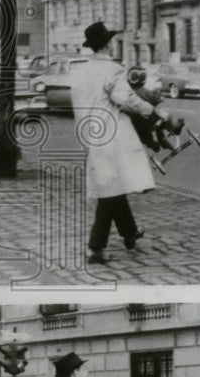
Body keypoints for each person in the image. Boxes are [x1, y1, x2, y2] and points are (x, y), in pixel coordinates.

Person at [71, 21, 173, 265]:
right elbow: (126, 99)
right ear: (107, 44)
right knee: (109, 189)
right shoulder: (113, 70)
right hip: (112, 136)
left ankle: (129, 234)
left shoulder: (80, 72)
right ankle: (96, 247)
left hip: (91, 133)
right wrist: (154, 112)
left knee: (112, 184)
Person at [126, 65, 184, 153]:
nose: (138, 79)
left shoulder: (126, 92)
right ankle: (173, 127)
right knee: (162, 116)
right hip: (147, 121)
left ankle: (154, 145)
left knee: (145, 137)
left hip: (134, 126)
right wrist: (159, 96)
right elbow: (155, 99)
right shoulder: (144, 91)